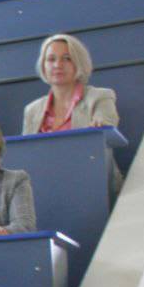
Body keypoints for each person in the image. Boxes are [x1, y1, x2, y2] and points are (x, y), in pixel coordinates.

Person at [22, 32, 124, 196]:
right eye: (51, 59)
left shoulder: (100, 96)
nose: (57, 65)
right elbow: (27, 155)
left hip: (93, 185)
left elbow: (107, 124)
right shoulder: (32, 110)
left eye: (67, 58)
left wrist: (100, 125)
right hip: (47, 186)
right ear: (43, 65)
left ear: (79, 63)